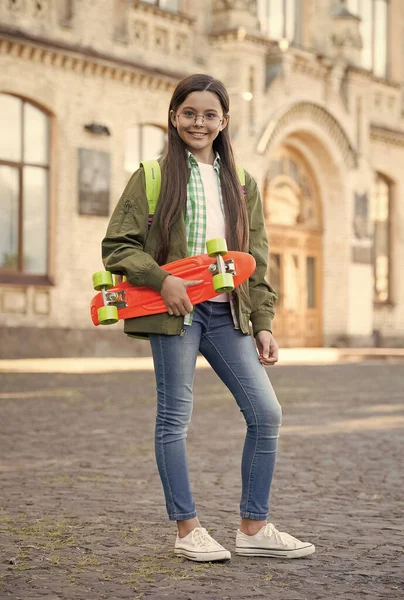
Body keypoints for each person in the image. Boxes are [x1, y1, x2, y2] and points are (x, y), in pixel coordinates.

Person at [102, 74, 315, 562]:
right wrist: (161, 280)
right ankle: (187, 530)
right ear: (174, 116)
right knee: (174, 418)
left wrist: (263, 321)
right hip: (173, 313)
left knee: (266, 413)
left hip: (227, 314)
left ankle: (253, 527)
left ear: (224, 121)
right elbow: (118, 245)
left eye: (209, 115)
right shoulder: (152, 176)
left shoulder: (242, 184)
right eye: (189, 113)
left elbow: (254, 257)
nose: (199, 122)